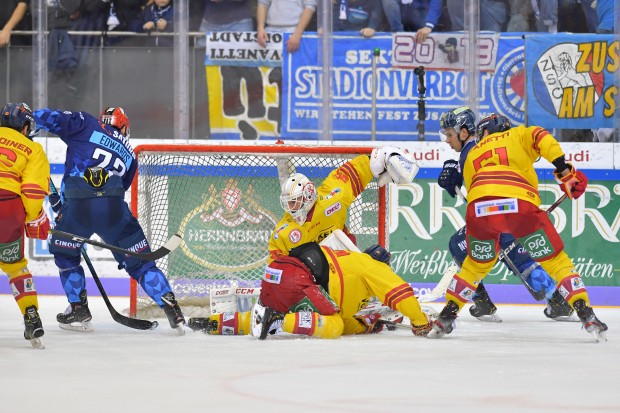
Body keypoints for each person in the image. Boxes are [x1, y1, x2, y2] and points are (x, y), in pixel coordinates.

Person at [189, 147, 430, 338]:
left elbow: (359, 169)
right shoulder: (283, 231)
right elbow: (278, 271)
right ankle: (224, 322)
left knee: (366, 272)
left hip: (339, 262)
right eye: (288, 203)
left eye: (295, 202)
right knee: (327, 319)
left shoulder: (331, 197)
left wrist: (385, 157)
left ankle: (361, 315)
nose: (291, 208)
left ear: (309, 196)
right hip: (314, 281)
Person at [429, 108, 608, 341]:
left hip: (482, 212)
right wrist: (565, 173)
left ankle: (446, 318)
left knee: (473, 265)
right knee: (555, 260)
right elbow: (542, 137)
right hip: (519, 206)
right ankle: (585, 313)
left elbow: (475, 193)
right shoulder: (518, 135)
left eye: (450, 134)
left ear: (480, 132)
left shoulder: (473, 153)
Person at [32, 106, 186, 334]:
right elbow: (119, 188)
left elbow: (48, 117)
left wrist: (26, 126)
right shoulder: (129, 153)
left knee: (66, 255)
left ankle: (78, 310)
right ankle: (173, 309)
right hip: (114, 210)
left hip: (79, 207)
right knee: (142, 263)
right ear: (122, 126)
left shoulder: (86, 122)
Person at [439, 111, 575, 322]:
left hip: (495, 210)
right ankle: (557, 300)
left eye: (449, 134)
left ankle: (482, 302)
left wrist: (454, 171)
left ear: (464, 132)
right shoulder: (492, 143)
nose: (447, 140)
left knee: (461, 245)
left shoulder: (474, 148)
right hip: (518, 207)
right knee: (518, 252)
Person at [0, 102, 49, 349]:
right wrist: (32, 216)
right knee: (16, 268)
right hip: (7, 209)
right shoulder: (32, 149)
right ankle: (31, 316)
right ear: (24, 125)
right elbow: (30, 190)